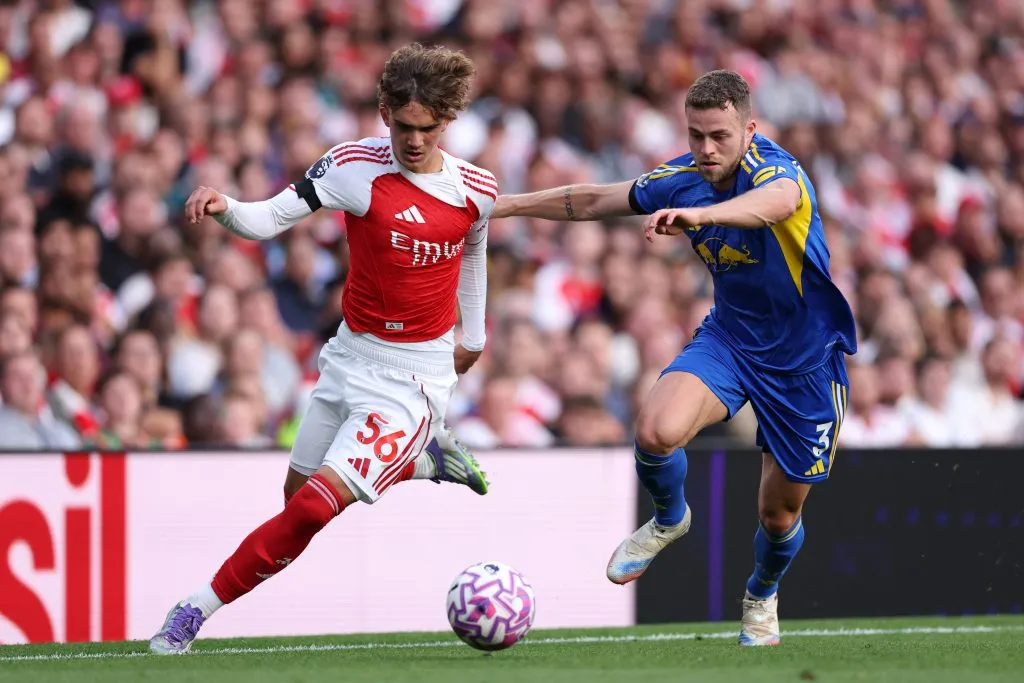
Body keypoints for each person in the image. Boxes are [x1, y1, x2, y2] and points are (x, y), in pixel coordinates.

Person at [149, 43, 496, 654]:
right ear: (385, 110)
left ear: (448, 121)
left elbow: (472, 253)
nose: (414, 141)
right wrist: (226, 205)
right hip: (349, 357)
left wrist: (474, 336)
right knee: (294, 506)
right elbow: (268, 219)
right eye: (404, 125)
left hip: (415, 380)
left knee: (311, 509)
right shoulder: (350, 167)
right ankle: (423, 462)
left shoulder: (475, 189)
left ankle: (192, 611)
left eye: (428, 128)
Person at [492, 70, 856, 646]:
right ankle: (668, 518)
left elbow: (776, 203)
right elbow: (592, 200)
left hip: (805, 362)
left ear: (749, 130)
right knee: (657, 430)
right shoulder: (683, 178)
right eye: (695, 136)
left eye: (720, 136)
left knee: (777, 516)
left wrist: (702, 217)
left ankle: (761, 593)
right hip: (731, 341)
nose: (707, 149)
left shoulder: (776, 171)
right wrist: (505, 205)